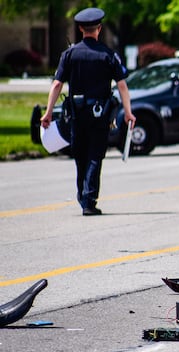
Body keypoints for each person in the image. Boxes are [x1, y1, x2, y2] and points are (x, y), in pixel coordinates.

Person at [40, 7, 135, 216]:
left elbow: (57, 85)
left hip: (76, 114)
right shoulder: (108, 54)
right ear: (99, 29)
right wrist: (128, 112)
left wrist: (48, 113)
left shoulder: (69, 54)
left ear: (81, 29)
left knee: (80, 155)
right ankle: (89, 200)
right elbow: (122, 86)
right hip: (100, 115)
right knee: (95, 155)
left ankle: (83, 195)